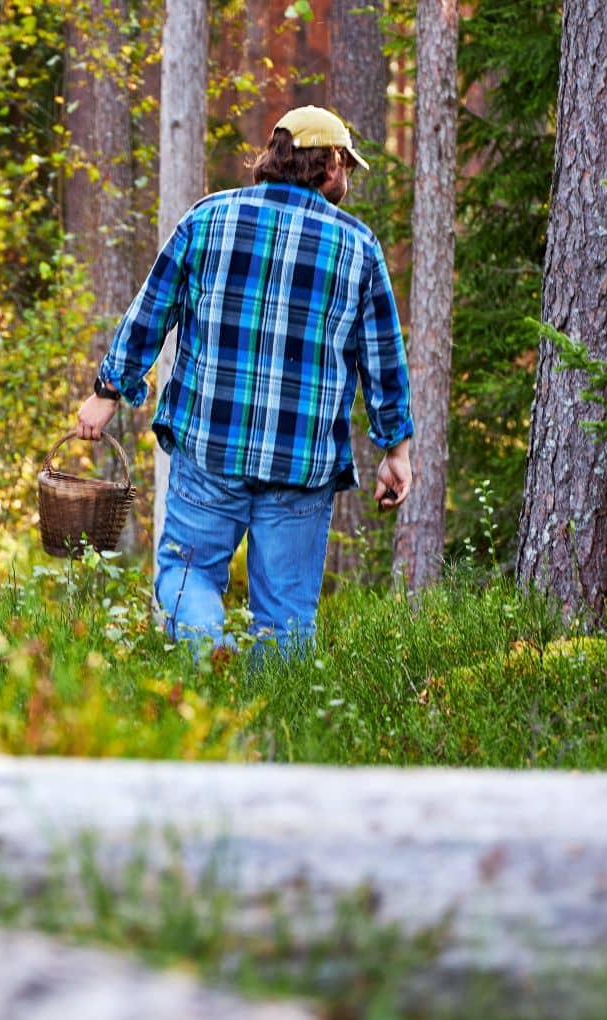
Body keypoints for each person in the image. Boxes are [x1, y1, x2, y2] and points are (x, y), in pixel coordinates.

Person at [75, 105, 414, 657]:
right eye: (346, 165)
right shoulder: (358, 247)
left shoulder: (208, 219)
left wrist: (107, 393)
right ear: (326, 163)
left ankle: (205, 674)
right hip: (301, 464)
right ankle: (271, 732)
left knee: (187, 580)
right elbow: (383, 358)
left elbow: (151, 310)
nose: (347, 179)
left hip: (210, 448)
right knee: (285, 617)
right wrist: (395, 449)